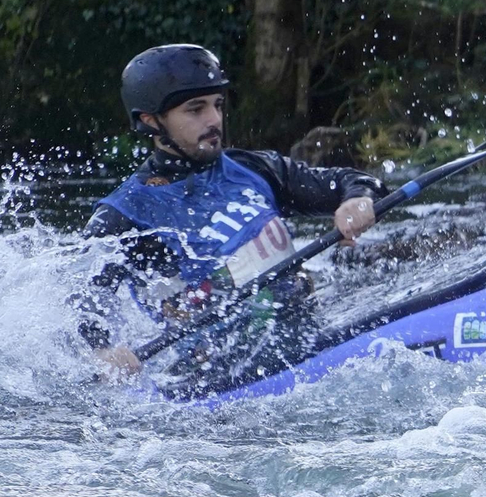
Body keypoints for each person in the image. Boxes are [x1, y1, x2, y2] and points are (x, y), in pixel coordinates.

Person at [79, 44, 385, 377]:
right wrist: (103, 350)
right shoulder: (124, 213)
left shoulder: (253, 168)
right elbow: (82, 299)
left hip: (310, 341)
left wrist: (357, 199)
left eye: (218, 105)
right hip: (220, 379)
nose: (214, 120)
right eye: (196, 109)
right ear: (151, 121)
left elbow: (350, 180)